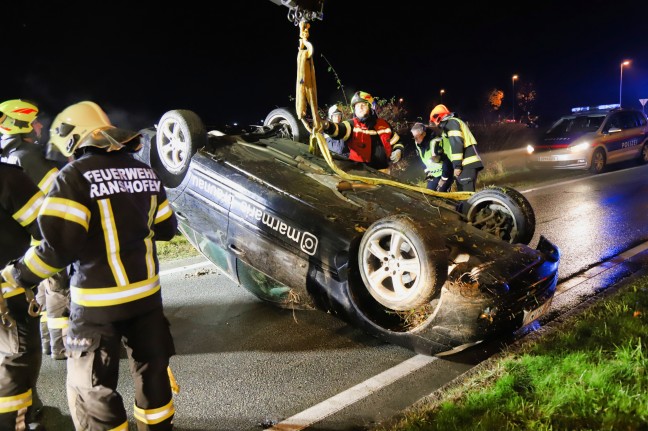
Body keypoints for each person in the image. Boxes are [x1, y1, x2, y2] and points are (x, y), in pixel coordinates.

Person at [1, 101, 179, 430]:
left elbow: (56, 250)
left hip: (98, 308)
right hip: (147, 301)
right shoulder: (145, 172)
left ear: (72, 138)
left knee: (91, 390)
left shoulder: (72, 177)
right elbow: (167, 229)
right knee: (153, 375)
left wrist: (15, 276)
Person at [0, 99, 71, 360]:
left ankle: (46, 344)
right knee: (58, 291)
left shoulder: (6, 156)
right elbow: (63, 195)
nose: (40, 126)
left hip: (24, 245)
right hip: (45, 239)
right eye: (35, 122)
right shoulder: (31, 158)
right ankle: (62, 346)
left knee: (37, 293)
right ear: (24, 127)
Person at [0, 110, 47, 430]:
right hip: (7, 292)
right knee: (16, 361)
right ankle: (17, 421)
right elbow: (50, 230)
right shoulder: (9, 176)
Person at [323, 91, 404, 170]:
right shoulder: (351, 125)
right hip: (360, 173)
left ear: (371, 107)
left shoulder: (384, 125)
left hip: (384, 173)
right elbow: (339, 130)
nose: (360, 108)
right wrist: (327, 126)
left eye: (363, 105)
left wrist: (398, 150)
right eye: (357, 106)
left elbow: (397, 142)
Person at [429, 104, 483, 191]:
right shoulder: (454, 123)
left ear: (438, 117)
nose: (435, 124)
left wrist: (457, 166)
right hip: (466, 163)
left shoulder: (451, 123)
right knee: (463, 195)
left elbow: (457, 143)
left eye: (433, 121)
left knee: (466, 197)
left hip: (466, 163)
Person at [410, 122, 453, 192]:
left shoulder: (435, 142)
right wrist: (428, 173)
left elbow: (447, 161)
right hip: (433, 175)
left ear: (424, 134)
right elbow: (422, 160)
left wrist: (444, 178)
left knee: (441, 194)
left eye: (417, 137)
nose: (415, 139)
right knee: (429, 193)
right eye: (414, 137)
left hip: (445, 173)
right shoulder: (418, 145)